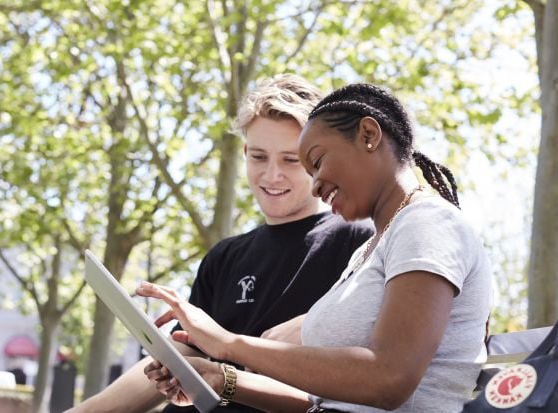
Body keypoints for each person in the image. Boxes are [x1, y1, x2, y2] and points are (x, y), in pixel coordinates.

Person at [140, 83, 493, 413]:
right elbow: (319, 400)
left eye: (317, 161)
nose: (314, 186)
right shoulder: (367, 252)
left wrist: (229, 344)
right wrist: (222, 378)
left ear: (368, 136)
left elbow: (390, 379)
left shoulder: (426, 223)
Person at [66, 75, 373, 413]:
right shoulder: (224, 257)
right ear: (244, 153)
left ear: (316, 159)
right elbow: (186, 353)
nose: (272, 175)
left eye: (290, 160)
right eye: (258, 157)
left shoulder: (357, 241)